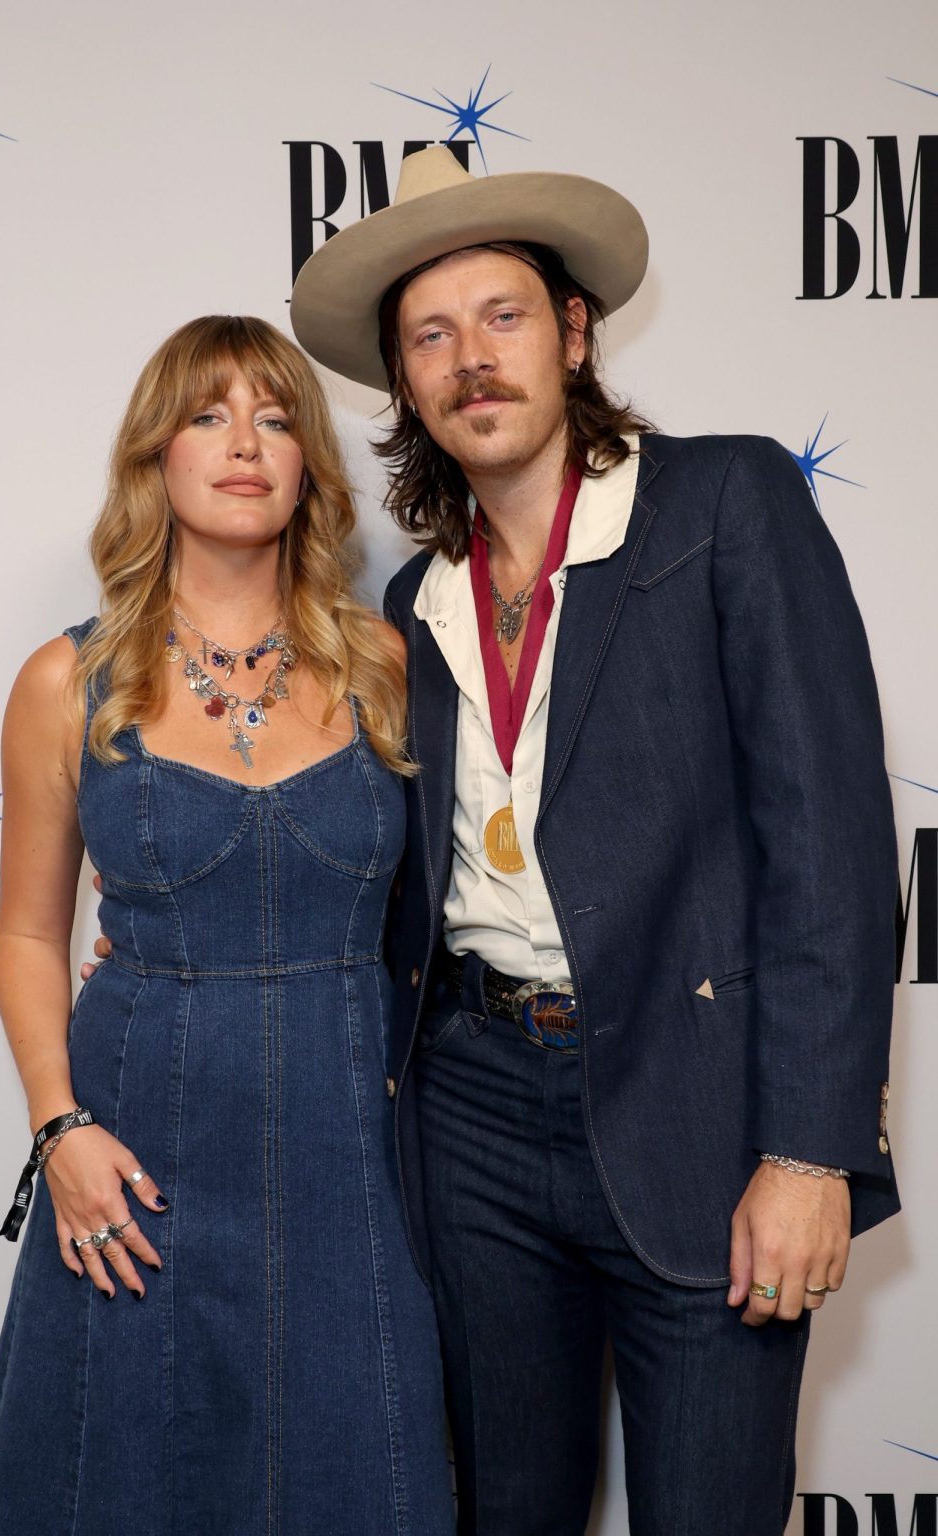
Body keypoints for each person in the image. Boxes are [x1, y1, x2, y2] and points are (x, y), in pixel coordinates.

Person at [288, 147, 901, 1535]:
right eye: (430, 337)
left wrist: (811, 1152)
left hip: (700, 1104)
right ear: (405, 386)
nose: (470, 358)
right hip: (470, 1112)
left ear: (572, 334)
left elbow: (831, 850)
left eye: (502, 316)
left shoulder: (726, 503)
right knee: (506, 1511)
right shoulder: (412, 601)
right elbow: (382, 870)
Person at [0, 315, 454, 1536]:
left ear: (308, 466)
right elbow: (29, 936)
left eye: (276, 419)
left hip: (353, 1148)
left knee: (358, 1470)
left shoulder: (387, 663)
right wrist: (59, 1128)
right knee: (123, 1475)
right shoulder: (67, 682)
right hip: (137, 1149)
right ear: (155, 456)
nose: (245, 443)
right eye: (208, 415)